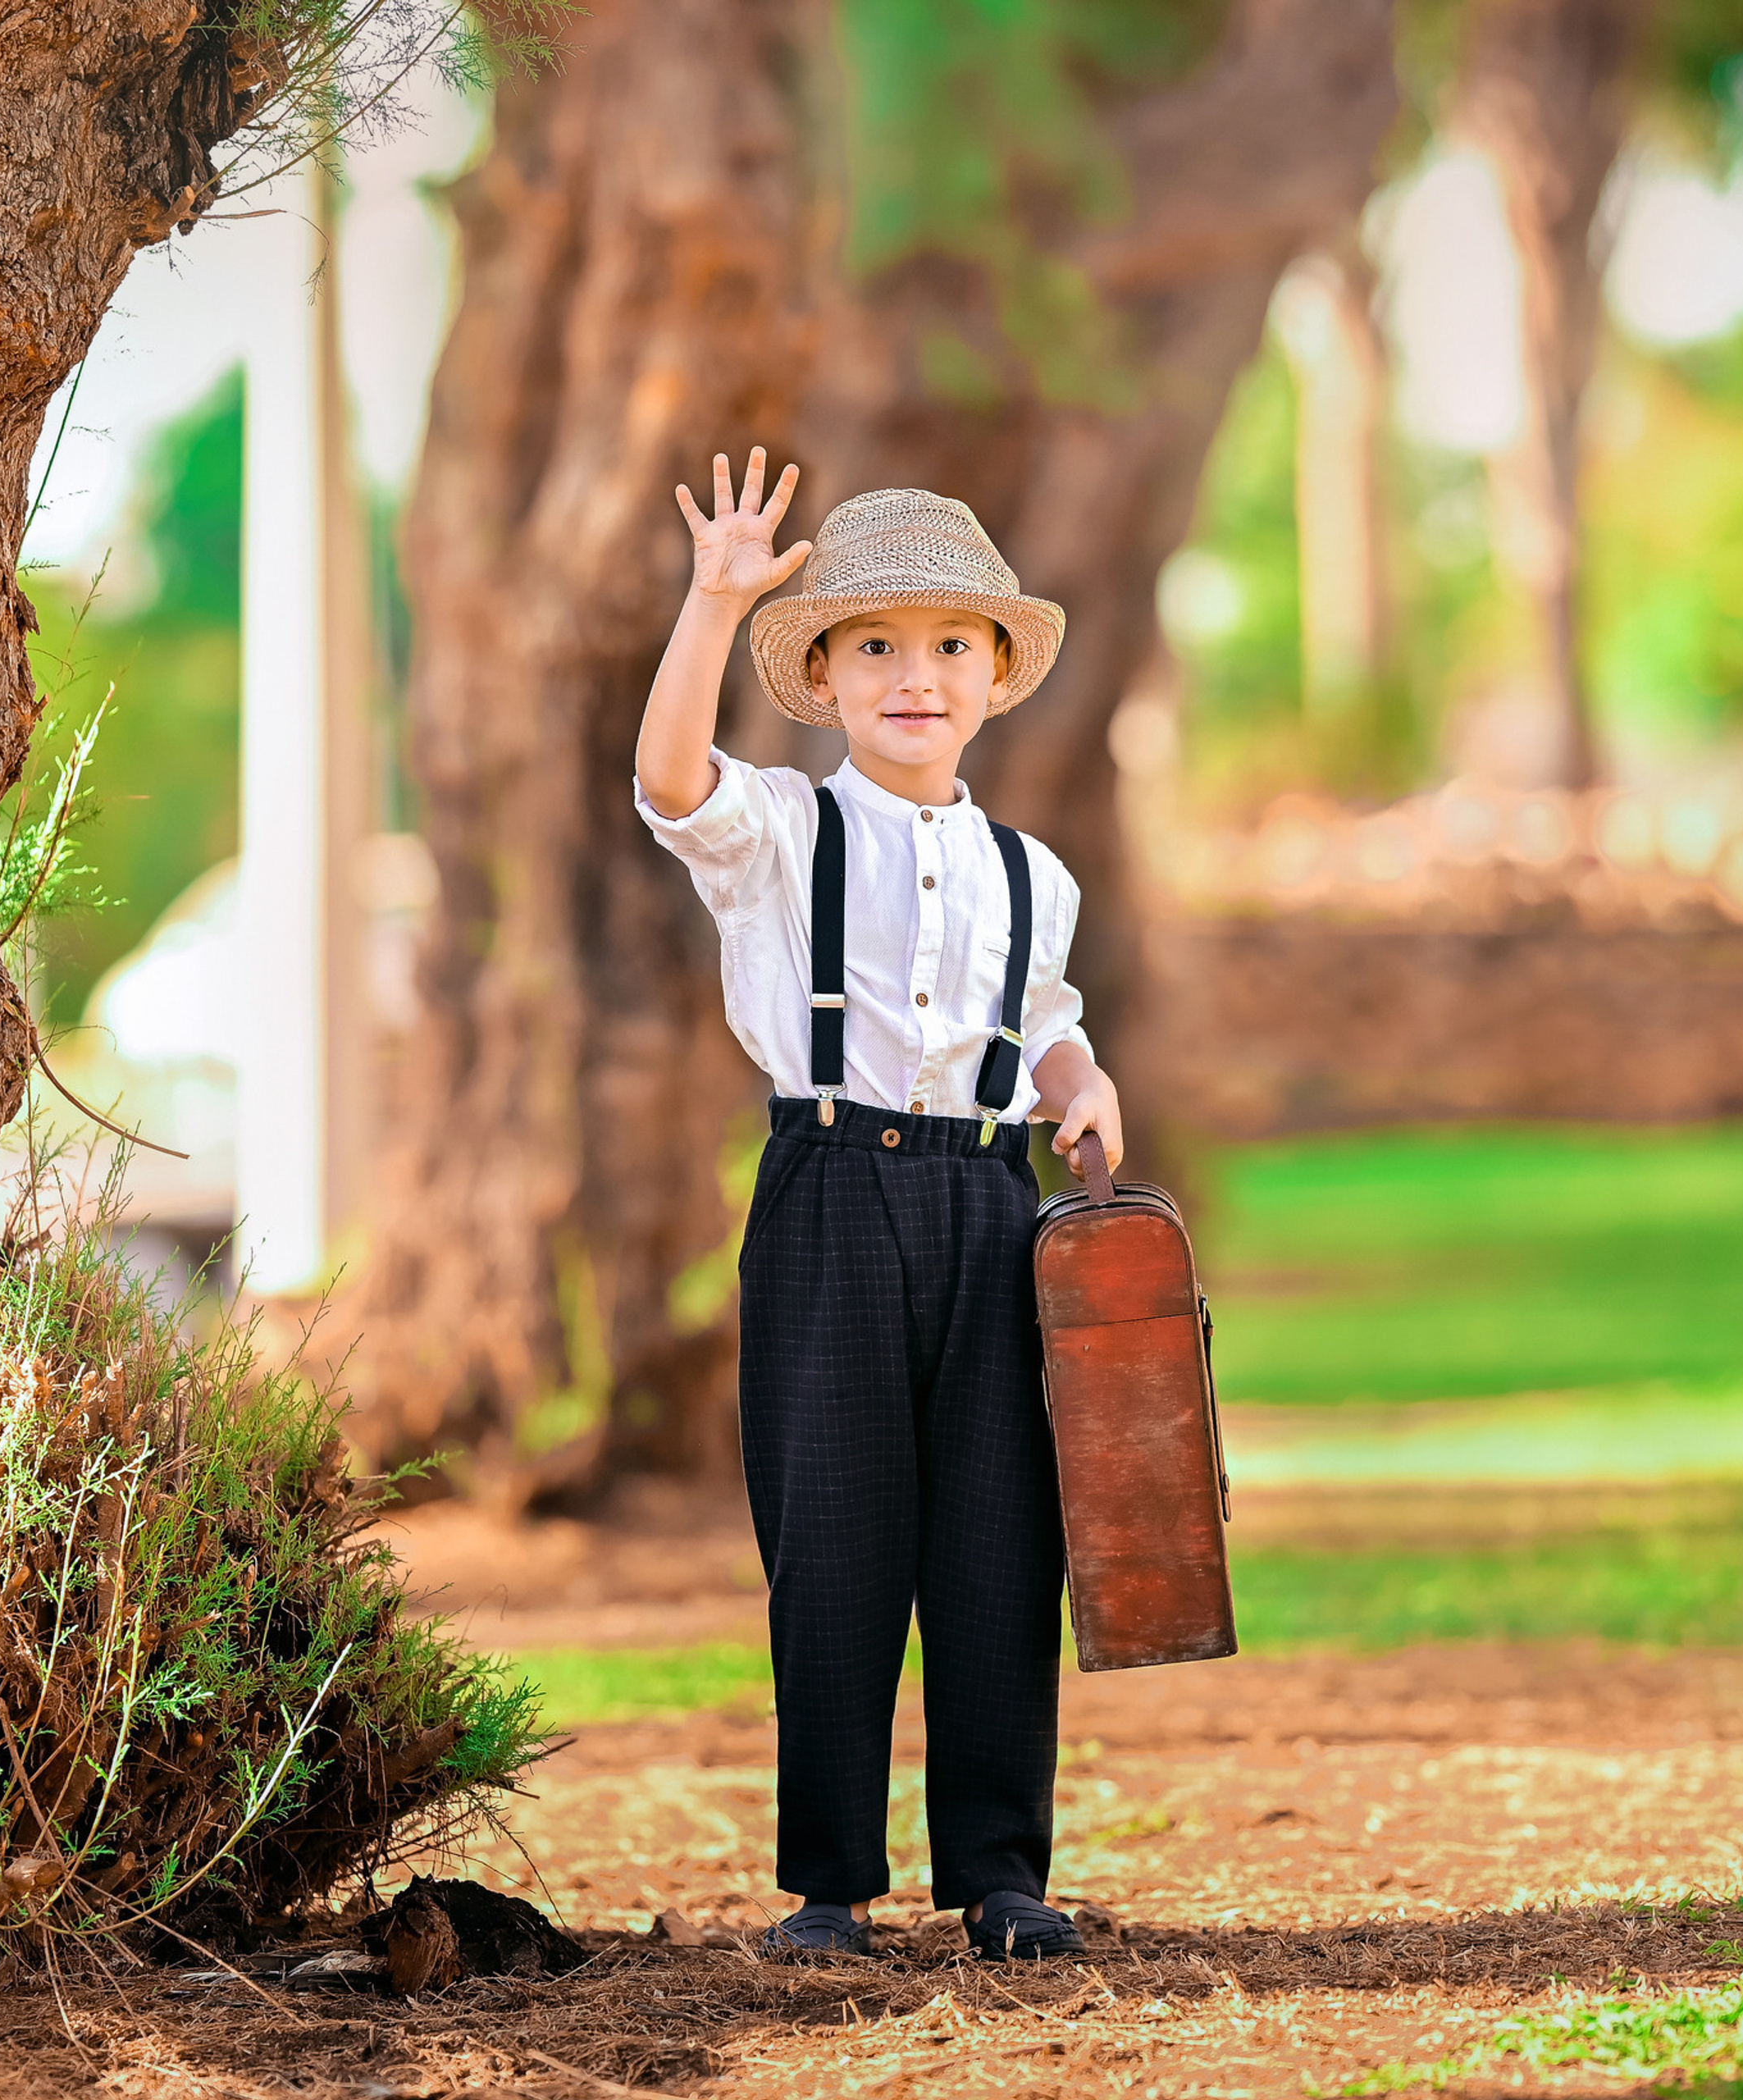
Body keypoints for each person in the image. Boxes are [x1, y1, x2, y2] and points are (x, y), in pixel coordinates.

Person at [635, 448, 1124, 1962]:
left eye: (949, 649)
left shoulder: (1034, 870)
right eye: (877, 649)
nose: (916, 677)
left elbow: (1036, 1008)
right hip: (832, 1189)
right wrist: (716, 603)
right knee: (833, 1537)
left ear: (992, 676)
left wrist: (1078, 1073)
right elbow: (666, 780)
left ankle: (1003, 1879)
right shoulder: (780, 832)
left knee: (998, 1538)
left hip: (989, 1207)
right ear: (828, 677)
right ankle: (828, 1888)